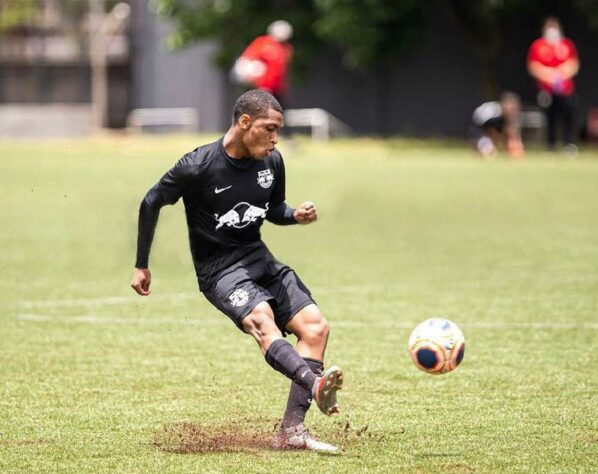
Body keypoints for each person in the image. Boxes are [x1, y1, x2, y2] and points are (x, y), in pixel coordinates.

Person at [130, 90, 343, 453]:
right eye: (269, 129)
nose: (276, 139)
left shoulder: (272, 162)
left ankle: (291, 432)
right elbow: (151, 201)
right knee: (262, 320)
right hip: (219, 270)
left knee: (316, 327)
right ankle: (314, 384)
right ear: (245, 123)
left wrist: (294, 215)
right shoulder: (198, 165)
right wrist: (141, 264)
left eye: (278, 131)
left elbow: (273, 209)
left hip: (259, 259)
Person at [527, 17, 580, 153]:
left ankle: (569, 144)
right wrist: (548, 75)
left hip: (566, 90)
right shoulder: (538, 46)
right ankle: (551, 145)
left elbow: (574, 64)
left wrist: (562, 73)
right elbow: (533, 66)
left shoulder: (566, 44)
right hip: (547, 90)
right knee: (550, 118)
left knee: (567, 117)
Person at [231, 20, 293, 107]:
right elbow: (248, 60)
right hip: (263, 87)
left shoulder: (286, 48)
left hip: (277, 89)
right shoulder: (262, 43)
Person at [471, 92, 525, 158]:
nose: (512, 110)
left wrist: (516, 144)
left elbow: (512, 132)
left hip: (493, 128)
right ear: (504, 104)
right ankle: (479, 147)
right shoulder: (493, 114)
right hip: (480, 128)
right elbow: (488, 130)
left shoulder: (510, 116)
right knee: (489, 153)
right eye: (510, 106)